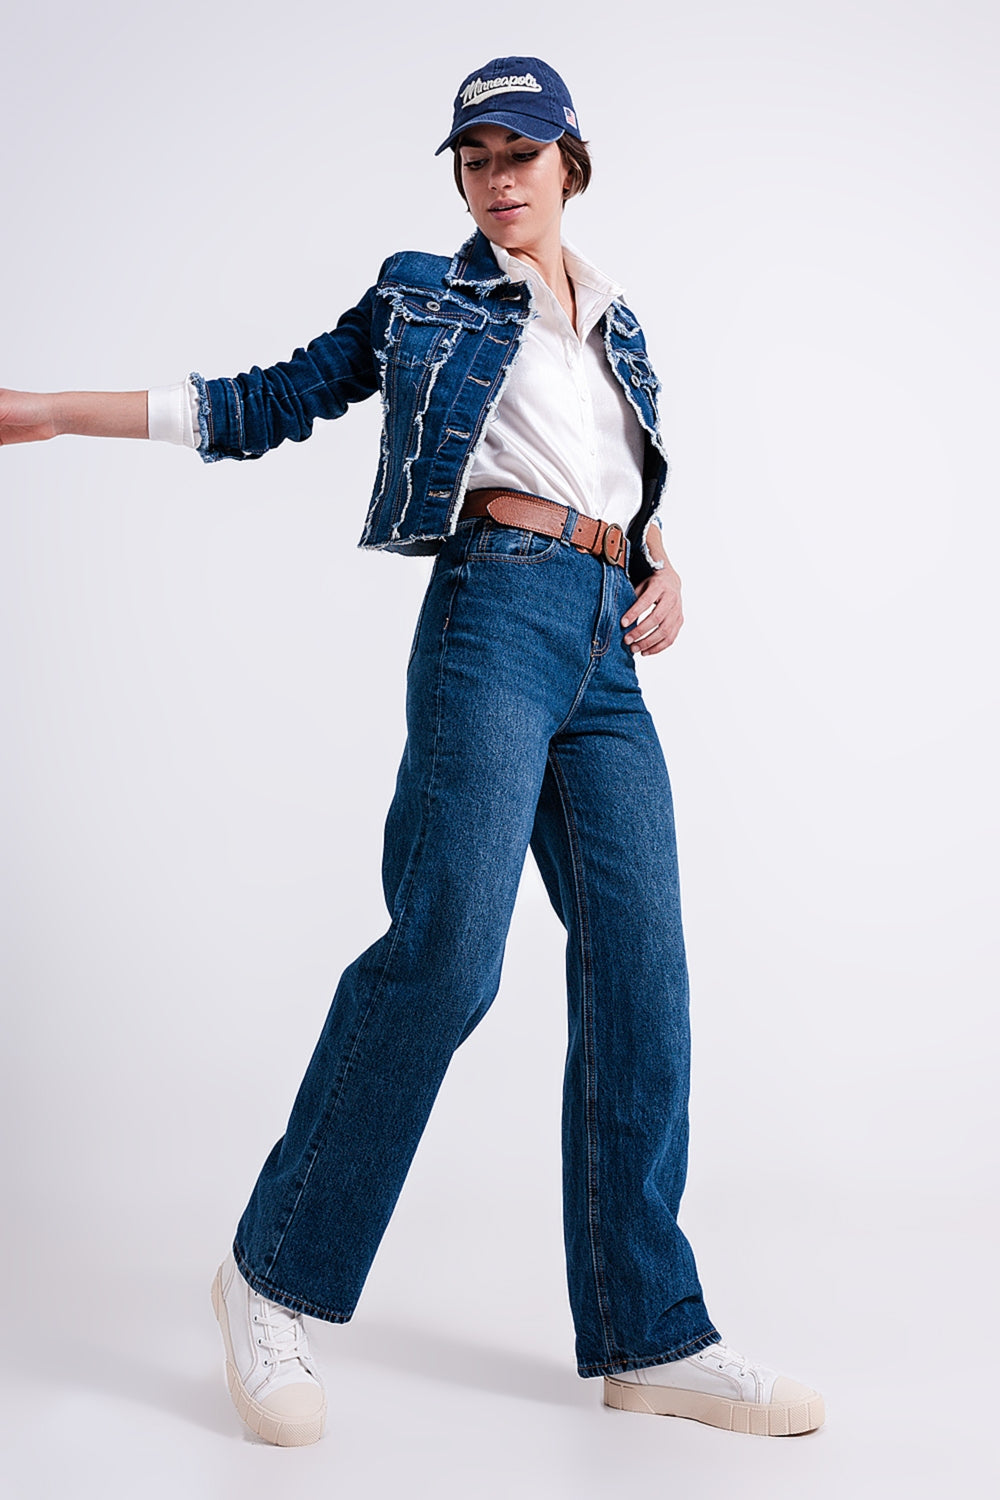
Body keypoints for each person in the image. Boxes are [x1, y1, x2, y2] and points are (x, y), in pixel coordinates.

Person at [0, 56, 825, 1447]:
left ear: (572, 163)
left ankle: (651, 1333)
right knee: (447, 953)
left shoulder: (620, 322)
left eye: (521, 155)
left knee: (643, 970)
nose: (497, 181)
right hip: (493, 616)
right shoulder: (423, 295)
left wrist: (660, 561)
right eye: (475, 159)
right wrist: (53, 410)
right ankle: (270, 1280)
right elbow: (267, 400)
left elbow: (614, 483)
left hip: (605, 651)